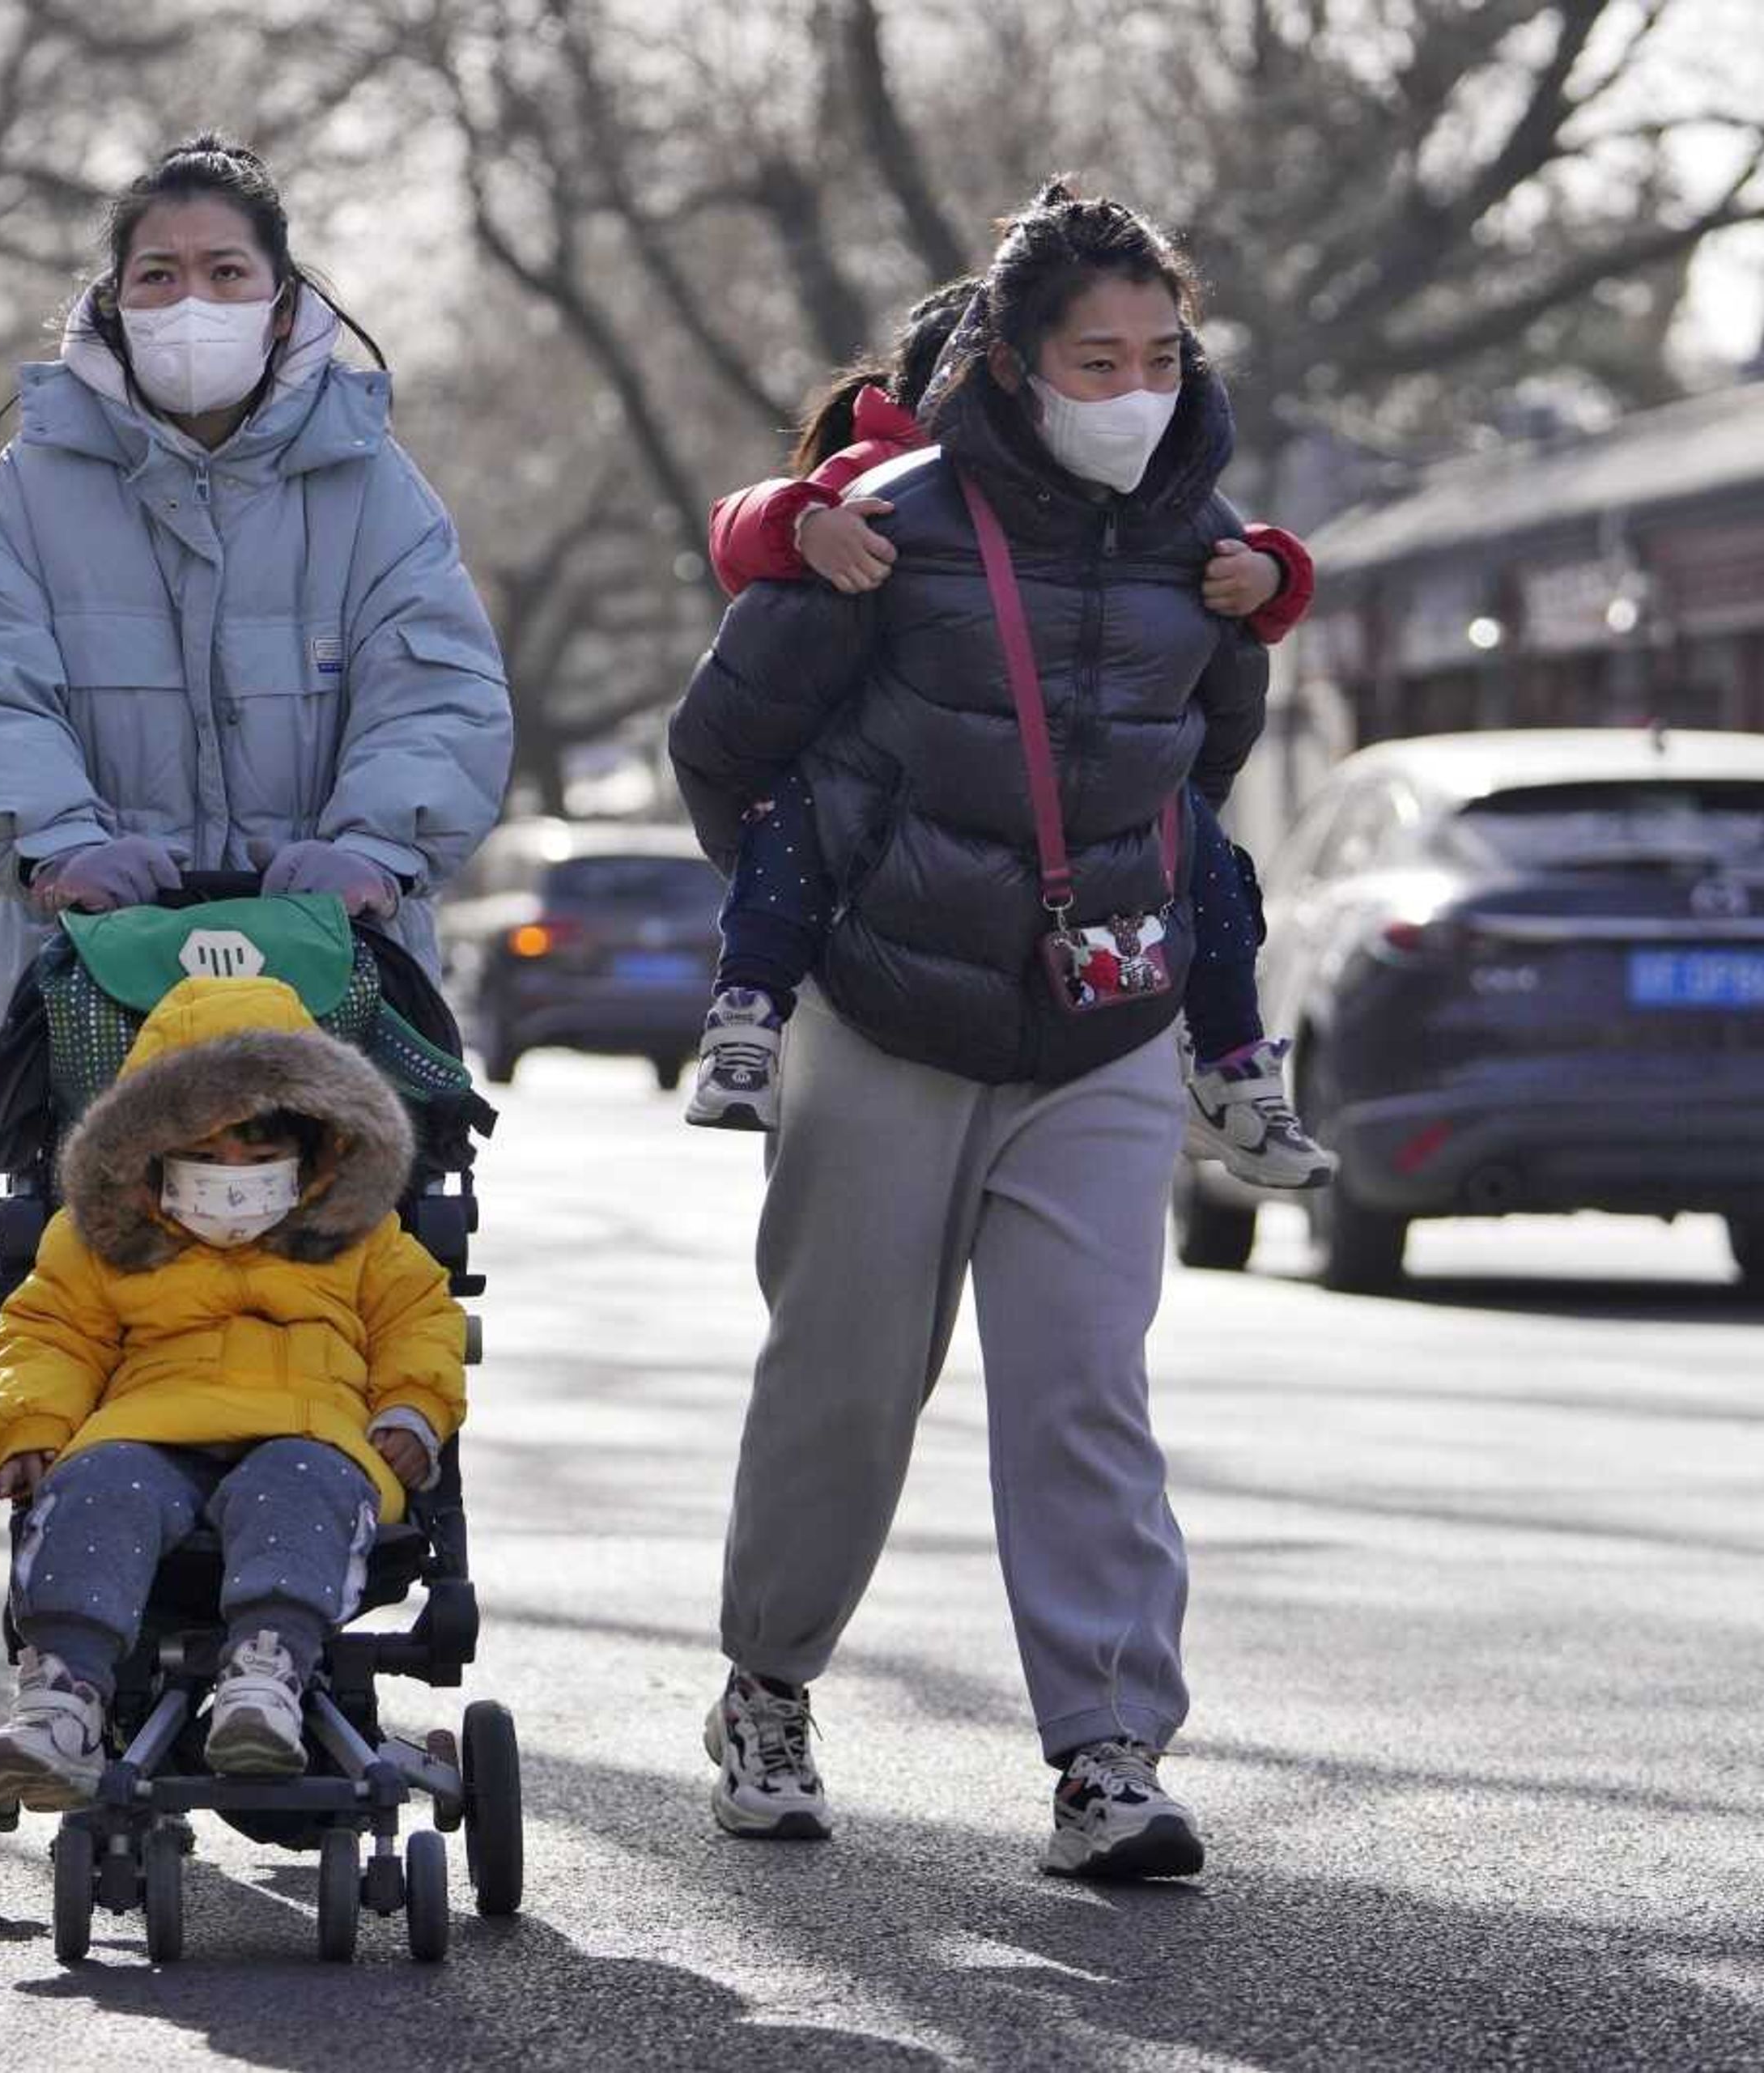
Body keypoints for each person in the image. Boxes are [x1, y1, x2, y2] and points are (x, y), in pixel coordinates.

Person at [670, 182, 1267, 1880]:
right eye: (1101, 357)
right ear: (1012, 364)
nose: (1138, 387)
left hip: (1097, 1029)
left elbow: (1205, 760)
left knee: (1086, 1384)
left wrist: (1123, 906)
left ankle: (1108, 1752)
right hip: (886, 1017)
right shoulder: (878, 524)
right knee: (846, 1383)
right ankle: (768, 1685)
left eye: (1164, 353)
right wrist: (849, 903)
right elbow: (724, 747)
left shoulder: (1209, 543)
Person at [686, 278, 1333, 1197]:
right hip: (882, 849)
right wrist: (806, 524)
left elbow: (1232, 614)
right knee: (791, 819)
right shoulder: (885, 482)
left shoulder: (1142, 500)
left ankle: (1231, 1060)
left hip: (1082, 915)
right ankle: (747, 1005)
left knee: (1206, 850)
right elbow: (736, 534)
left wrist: (1271, 569)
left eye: (1151, 365)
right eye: (1092, 366)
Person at [0, 135, 512, 1102]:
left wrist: (372, 849)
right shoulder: (30, 492)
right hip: (87, 1008)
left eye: (225, 271)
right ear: (113, 301)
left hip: (334, 998)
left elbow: (438, 695)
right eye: (159, 274)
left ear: (280, 308)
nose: (191, 300)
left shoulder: (374, 493)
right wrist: (58, 844)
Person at [0, 973, 466, 1806]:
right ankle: (62, 1691)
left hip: (314, 1429)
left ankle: (264, 1674)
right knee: (97, 1483)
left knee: (298, 1482)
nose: (233, 1169)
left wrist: (413, 1407)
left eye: (260, 1147)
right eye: (204, 1150)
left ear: (317, 1143)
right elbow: (50, 1331)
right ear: (151, 1147)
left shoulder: (360, 1236)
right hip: (149, 1427)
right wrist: (29, 1425)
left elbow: (422, 1321)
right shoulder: (104, 1236)